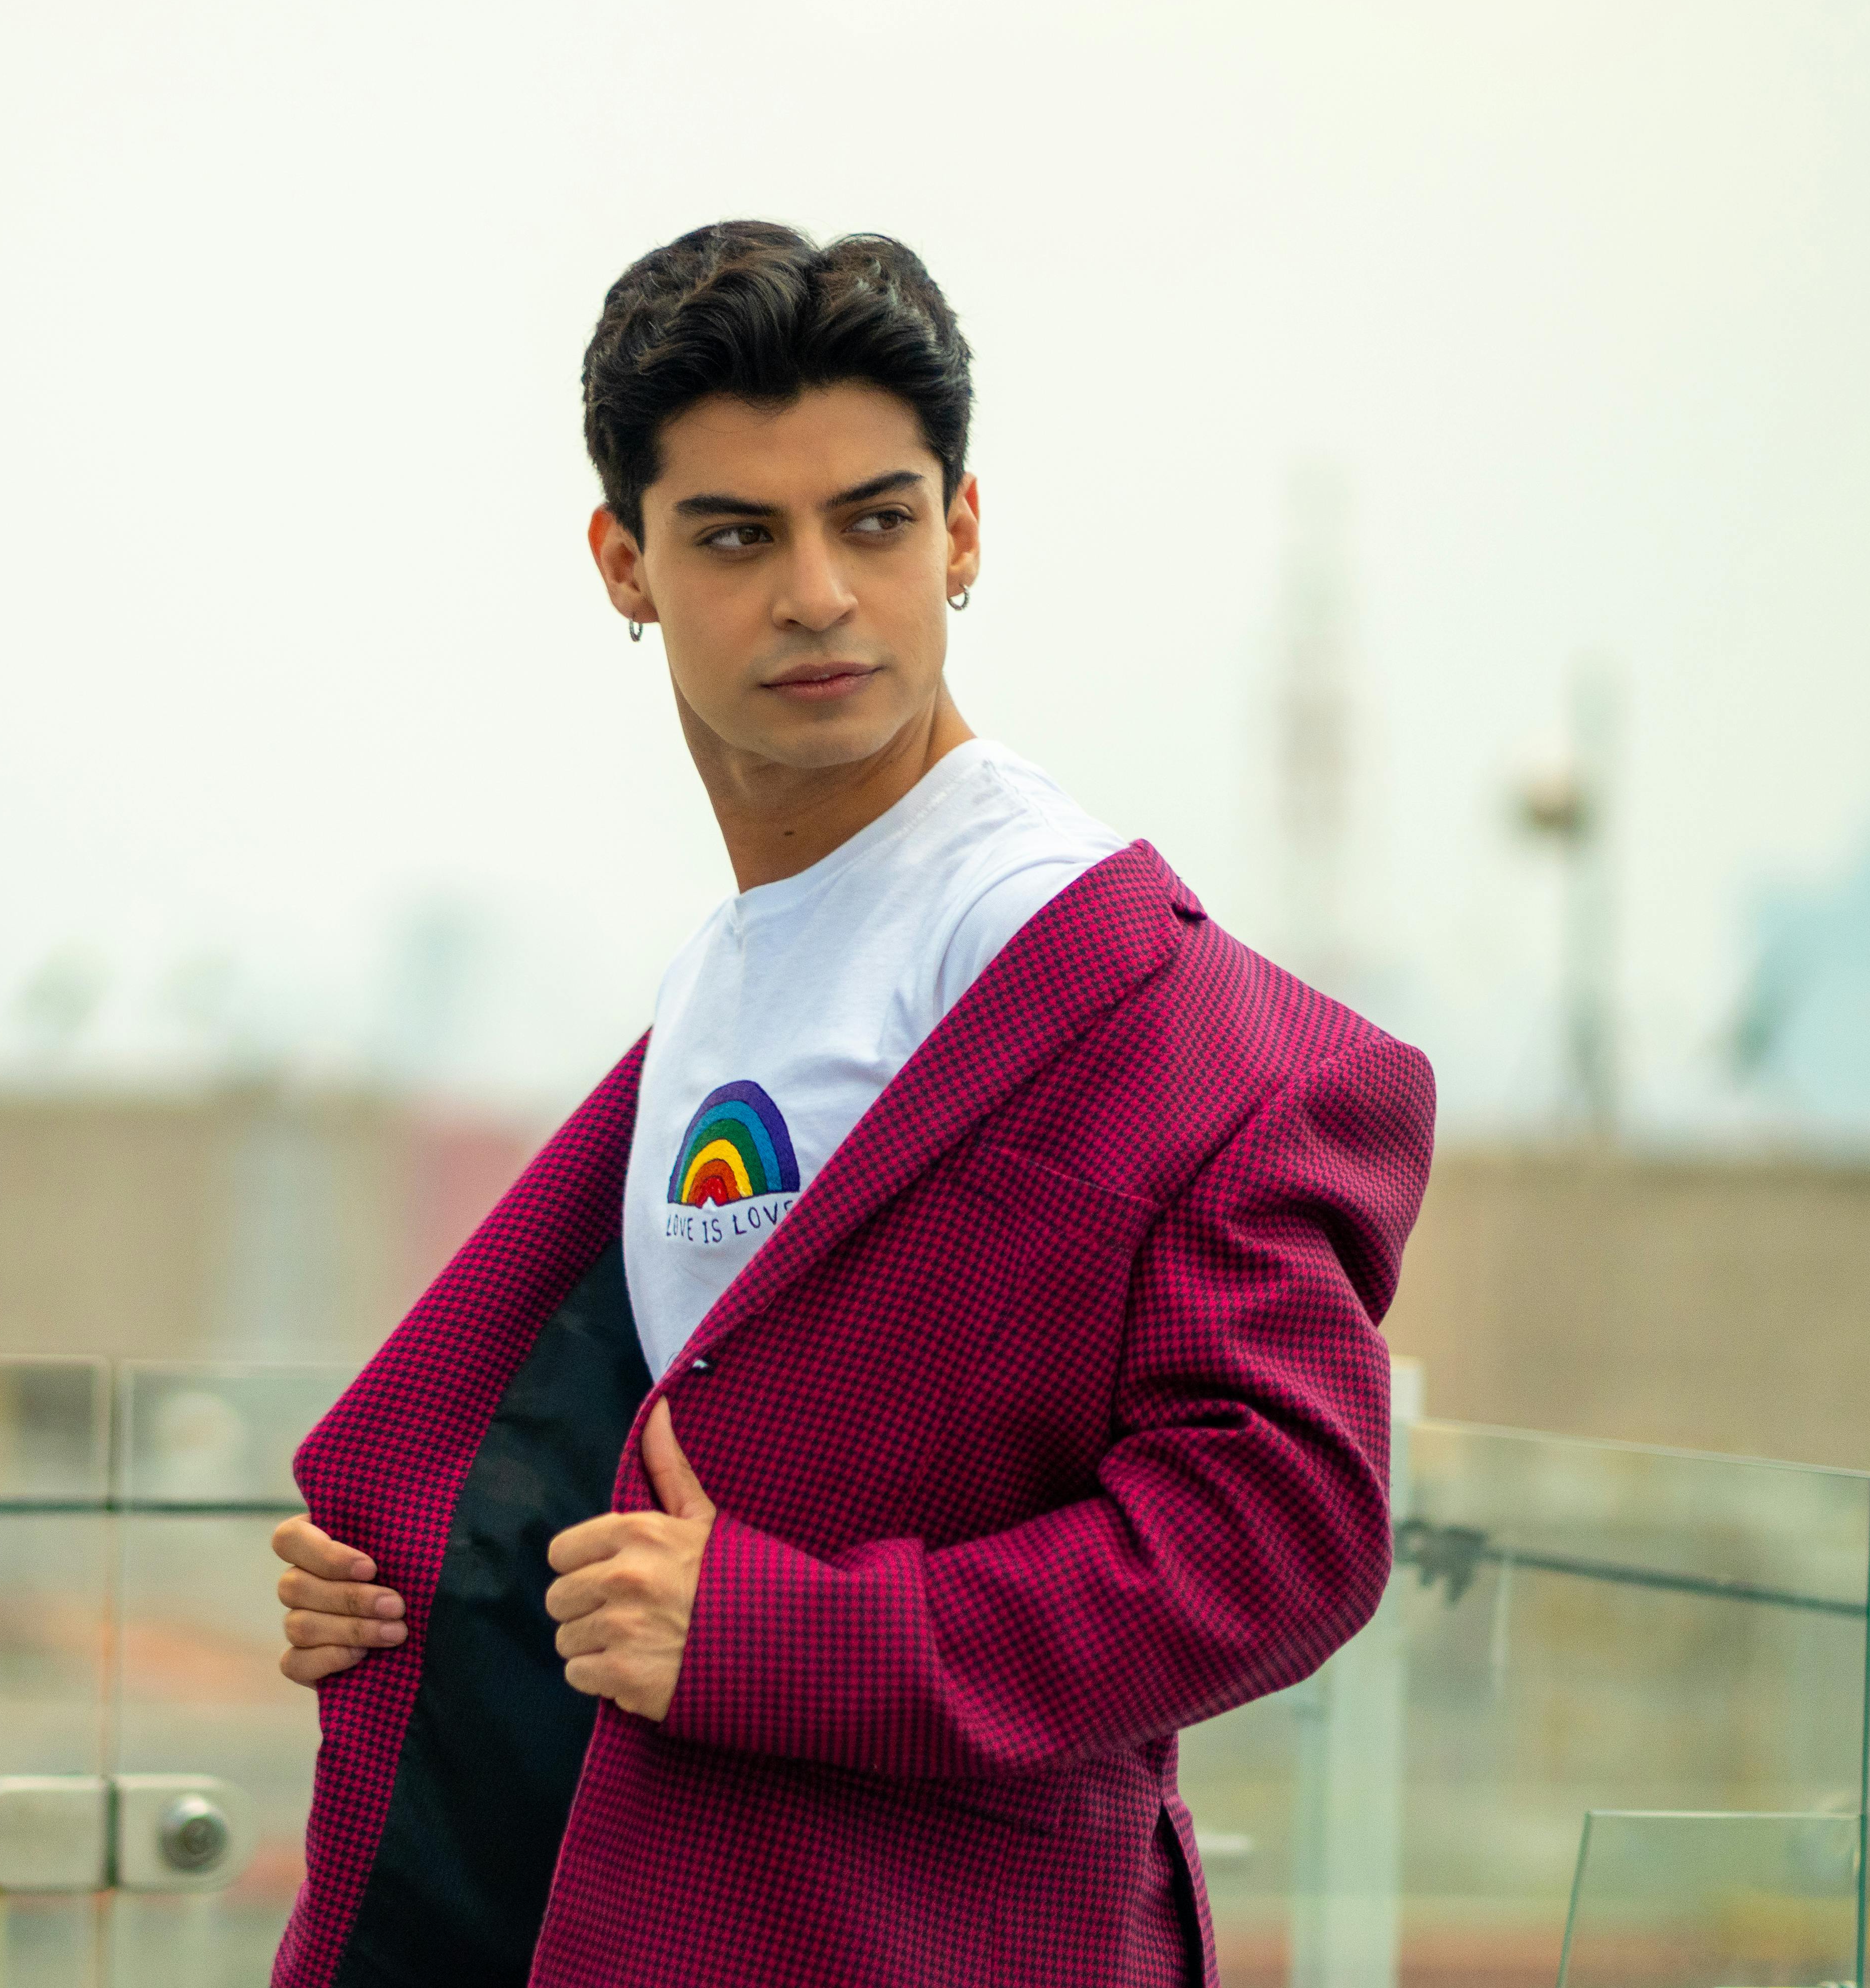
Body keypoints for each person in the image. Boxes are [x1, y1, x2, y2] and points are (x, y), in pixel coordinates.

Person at [266, 221, 1435, 1987]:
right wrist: (439, 1568)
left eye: (875, 521)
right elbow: (697, 1427)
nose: (818, 593)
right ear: (625, 563)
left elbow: (1286, 1531)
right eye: (737, 535)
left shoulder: (1080, 969)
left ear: (962, 531)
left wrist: (774, 1642)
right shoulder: (734, 973)